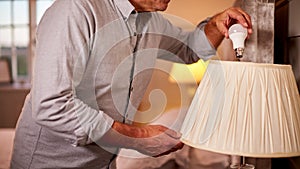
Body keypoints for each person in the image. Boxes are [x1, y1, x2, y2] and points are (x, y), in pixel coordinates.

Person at [10, 0, 252, 168]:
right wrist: (138, 136)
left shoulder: (154, 21)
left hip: (104, 163)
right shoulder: (75, 9)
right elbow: (51, 104)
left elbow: (188, 49)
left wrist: (214, 25)